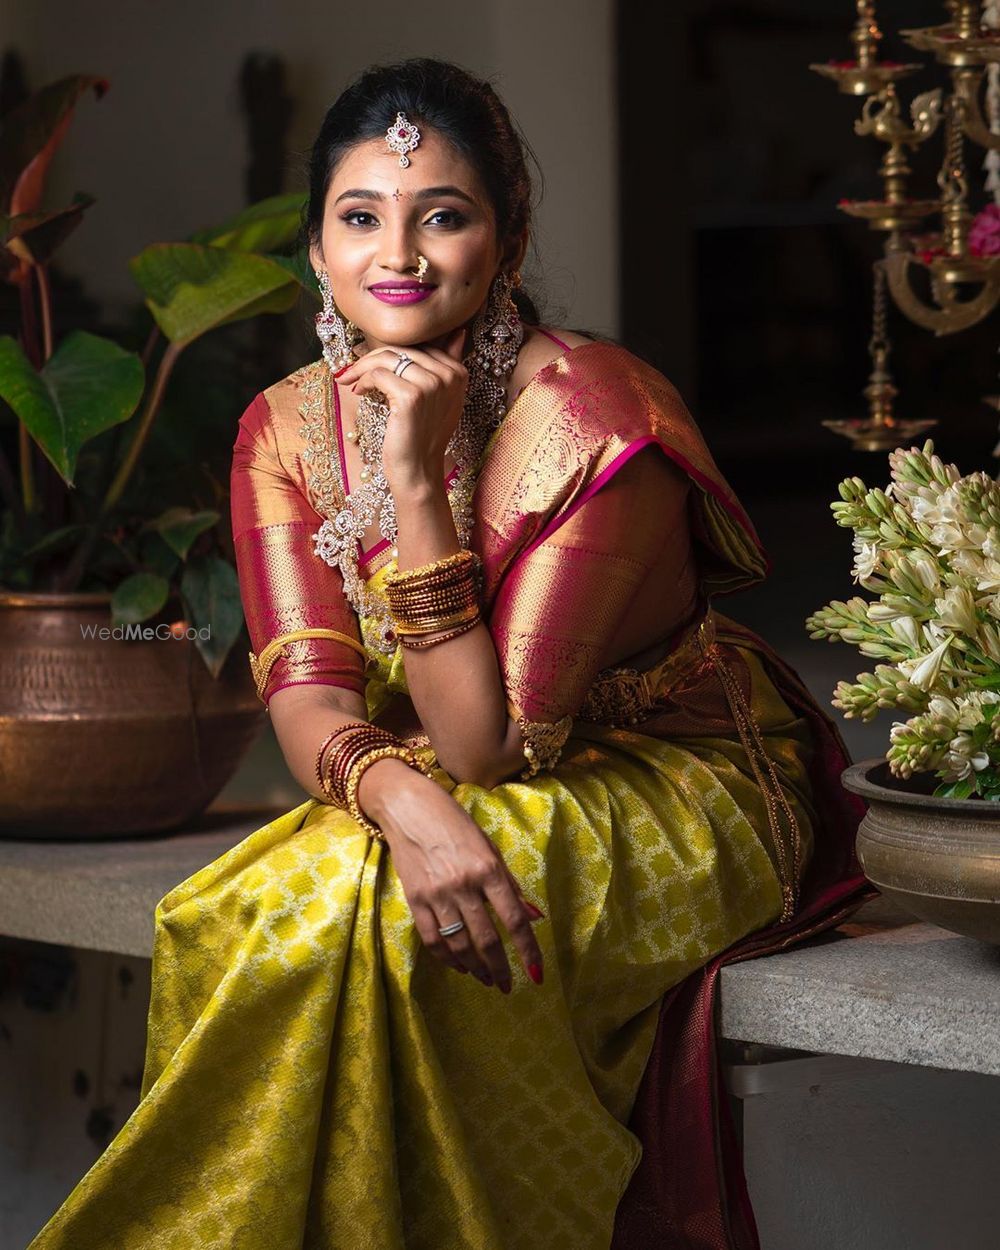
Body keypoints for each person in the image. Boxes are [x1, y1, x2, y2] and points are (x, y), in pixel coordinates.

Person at [28, 58, 871, 1250]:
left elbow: (490, 742)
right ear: (316, 251)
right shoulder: (284, 422)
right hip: (424, 764)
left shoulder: (597, 422)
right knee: (244, 910)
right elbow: (308, 692)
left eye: (445, 216)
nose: (400, 254)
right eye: (360, 217)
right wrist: (406, 808)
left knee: (357, 914)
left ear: (508, 238)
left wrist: (415, 481)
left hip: (675, 773)